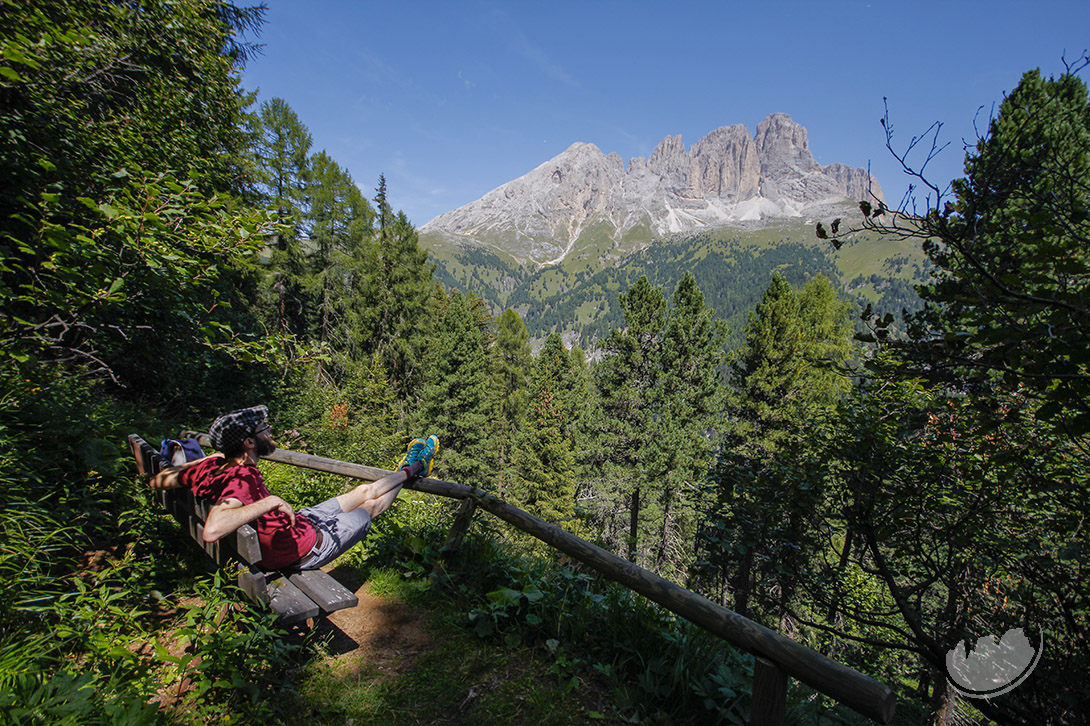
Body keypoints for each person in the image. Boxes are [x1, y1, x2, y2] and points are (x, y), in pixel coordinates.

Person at [150, 405, 437, 571]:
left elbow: (157, 480)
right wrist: (271, 501)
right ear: (249, 443)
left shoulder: (212, 466)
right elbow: (213, 529)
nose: (270, 430)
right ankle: (413, 471)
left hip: (299, 523)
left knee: (363, 491)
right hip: (307, 547)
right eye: (264, 428)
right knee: (370, 507)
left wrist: (190, 464)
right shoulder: (241, 481)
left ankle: (409, 470)